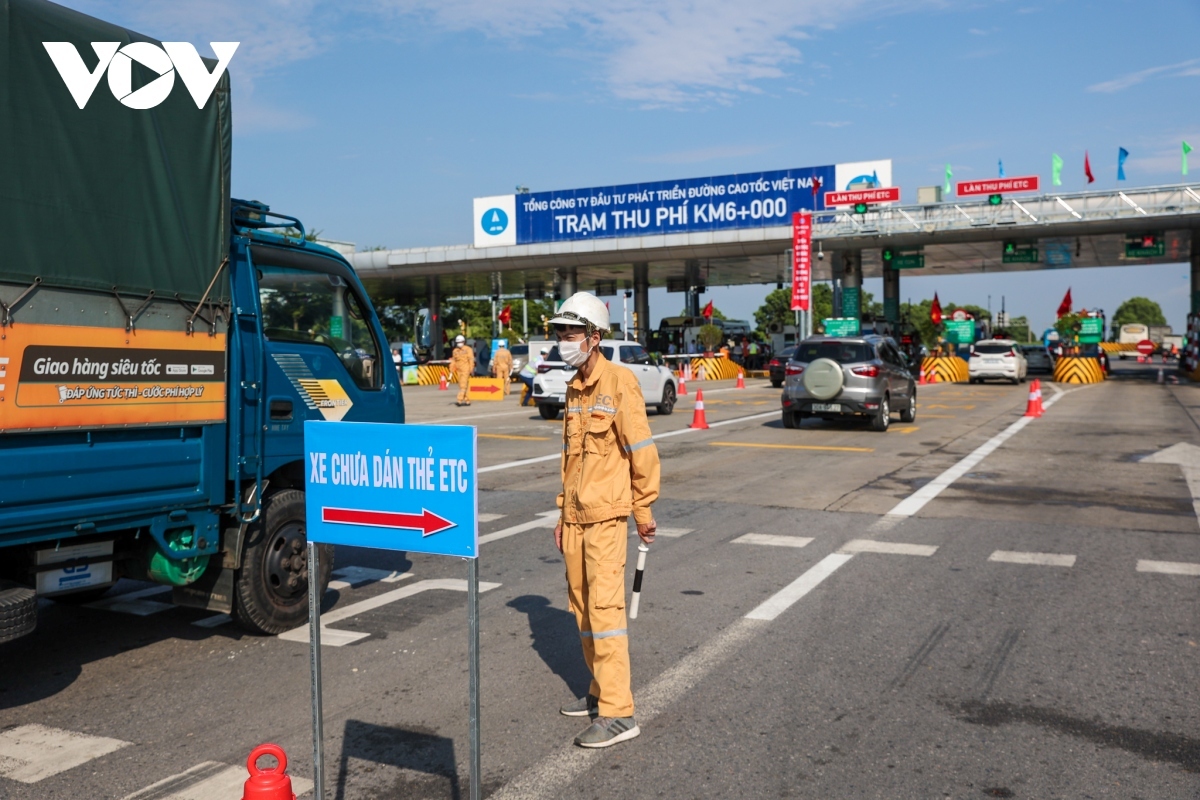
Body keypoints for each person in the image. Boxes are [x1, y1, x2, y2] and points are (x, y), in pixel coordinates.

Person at [551, 292, 659, 749]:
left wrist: (644, 508)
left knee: (606, 614)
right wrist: (561, 511)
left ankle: (619, 713)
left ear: (594, 338)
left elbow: (641, 450)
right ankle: (598, 691)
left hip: (608, 519)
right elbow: (570, 458)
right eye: (558, 333)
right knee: (581, 609)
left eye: (571, 333)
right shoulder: (576, 387)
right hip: (576, 518)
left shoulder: (620, 383)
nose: (562, 341)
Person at [451, 334, 475, 406]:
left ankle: (459, 400)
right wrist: (452, 367)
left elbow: (471, 359)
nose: (459, 343)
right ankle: (467, 401)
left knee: (463, 386)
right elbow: (454, 360)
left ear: (464, 341)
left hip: (466, 369)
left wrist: (471, 368)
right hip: (459, 370)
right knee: (462, 385)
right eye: (458, 342)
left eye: (460, 342)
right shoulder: (455, 351)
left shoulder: (468, 349)